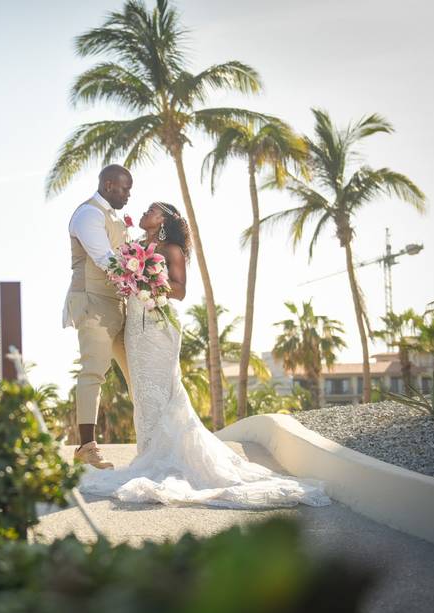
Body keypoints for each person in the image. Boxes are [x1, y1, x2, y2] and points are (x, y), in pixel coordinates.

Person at [78, 202, 331, 509]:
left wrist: (146, 282)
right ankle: (148, 455)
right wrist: (129, 278)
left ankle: (165, 460)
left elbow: (181, 291)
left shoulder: (171, 249)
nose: (145, 212)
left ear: (165, 220)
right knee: (144, 395)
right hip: (136, 326)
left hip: (159, 326)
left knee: (163, 391)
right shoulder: (135, 246)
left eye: (152, 210)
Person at [63, 164, 133, 470]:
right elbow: (106, 259)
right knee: (93, 371)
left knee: (138, 375)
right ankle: (86, 448)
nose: (128, 194)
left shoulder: (114, 217)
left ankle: (155, 440)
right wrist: (140, 282)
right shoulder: (88, 214)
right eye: (124, 188)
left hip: (120, 304)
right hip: (91, 300)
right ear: (107, 184)